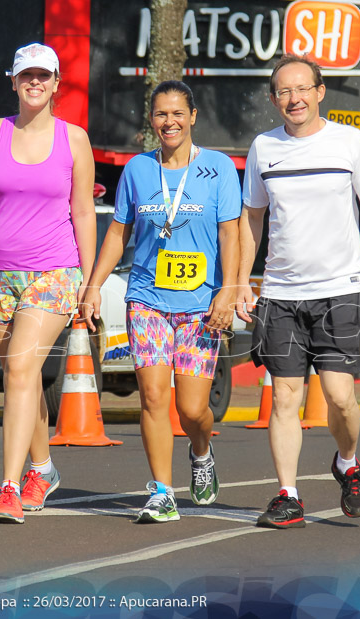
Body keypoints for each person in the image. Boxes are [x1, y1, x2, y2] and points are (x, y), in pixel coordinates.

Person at [235, 53, 360, 530]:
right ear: (273, 99)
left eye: (302, 89)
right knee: (284, 397)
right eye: (283, 91)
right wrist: (245, 280)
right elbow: (252, 218)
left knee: (339, 395)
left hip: (338, 289)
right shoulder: (263, 148)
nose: (294, 98)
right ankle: (288, 495)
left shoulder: (349, 142)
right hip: (281, 293)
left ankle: (347, 461)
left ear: (320, 92)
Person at [81, 81, 240, 523]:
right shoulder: (137, 170)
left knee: (191, 409)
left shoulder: (220, 168)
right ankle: (162, 492)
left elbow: (231, 232)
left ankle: (202, 451)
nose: (169, 122)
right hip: (146, 297)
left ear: (192, 117)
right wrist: (94, 284)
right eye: (160, 114)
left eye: (177, 114)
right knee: (153, 397)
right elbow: (118, 232)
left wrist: (228, 290)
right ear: (150, 120)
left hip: (200, 303)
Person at [0, 43, 96, 523]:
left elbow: (82, 212)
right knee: (24, 376)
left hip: (55, 272)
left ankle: (10, 487)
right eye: (26, 75)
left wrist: (90, 281)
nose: (35, 82)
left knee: (18, 370)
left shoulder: (74, 139)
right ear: (13, 82)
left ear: (58, 83)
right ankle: (43, 468)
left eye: (44, 75)